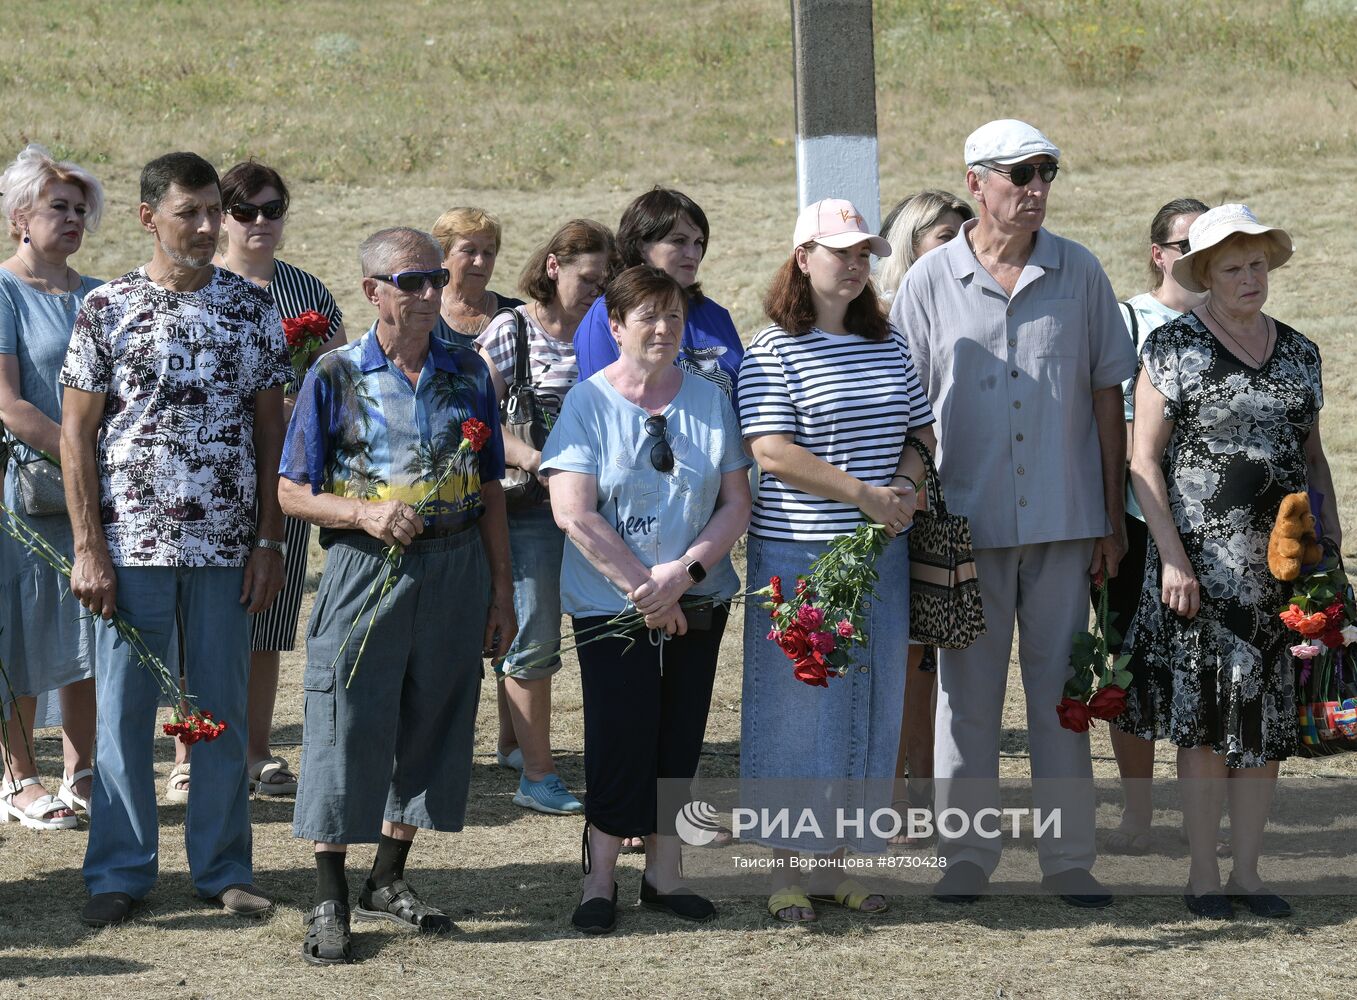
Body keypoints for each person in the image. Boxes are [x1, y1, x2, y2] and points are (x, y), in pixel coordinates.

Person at [891, 120, 1136, 908]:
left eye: (1046, 174)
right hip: (962, 523)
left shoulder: (1080, 271)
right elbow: (908, 410)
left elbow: (1108, 397)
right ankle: (966, 854)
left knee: (1061, 693)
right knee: (966, 694)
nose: (1035, 189)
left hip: (1066, 520)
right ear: (975, 182)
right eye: (1019, 175)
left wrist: (1109, 514)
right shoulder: (929, 280)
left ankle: (1068, 859)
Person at [60, 151, 289, 926]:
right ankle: (118, 872)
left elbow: (270, 430)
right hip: (132, 551)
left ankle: (223, 867)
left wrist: (268, 542)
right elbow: (76, 435)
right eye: (186, 212)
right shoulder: (106, 308)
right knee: (125, 715)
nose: (203, 227)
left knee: (215, 710)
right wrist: (89, 547)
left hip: (226, 550)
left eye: (211, 213)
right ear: (147, 217)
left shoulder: (250, 306)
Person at [279, 227, 515, 964]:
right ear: (371, 291)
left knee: (434, 719)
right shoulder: (333, 374)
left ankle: (389, 875)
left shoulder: (469, 371)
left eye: (434, 280)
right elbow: (291, 491)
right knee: (345, 721)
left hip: (454, 566)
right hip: (364, 567)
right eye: (410, 281)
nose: (426, 294)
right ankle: (328, 893)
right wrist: (363, 513)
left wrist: (501, 591)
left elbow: (490, 488)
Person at [1116, 204, 1334, 919]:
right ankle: (1202, 876)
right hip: (1200, 577)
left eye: (1257, 264)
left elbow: (1311, 457)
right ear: (1203, 274)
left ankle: (1247, 872)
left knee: (1266, 723)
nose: (1249, 278)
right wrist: (1172, 560)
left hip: (1281, 574)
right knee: (1208, 722)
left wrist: (1325, 549)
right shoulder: (1172, 347)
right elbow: (1141, 461)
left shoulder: (1300, 352)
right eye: (1233, 267)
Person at [737, 199, 934, 922]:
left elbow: (920, 429)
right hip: (799, 551)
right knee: (797, 709)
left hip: (878, 553)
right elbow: (769, 450)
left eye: (863, 255)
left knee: (868, 703)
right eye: (840, 252)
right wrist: (866, 496)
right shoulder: (771, 350)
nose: (855, 266)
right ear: (802, 259)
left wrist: (905, 487)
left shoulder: (888, 344)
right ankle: (787, 870)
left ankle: (843, 863)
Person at [541, 264, 751, 933]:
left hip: (697, 597)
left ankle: (664, 876)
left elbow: (734, 503)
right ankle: (598, 879)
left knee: (679, 737)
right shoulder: (587, 403)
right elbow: (573, 513)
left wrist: (681, 578)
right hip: (613, 605)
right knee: (619, 736)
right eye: (647, 317)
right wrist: (644, 588)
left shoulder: (710, 396)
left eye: (673, 316)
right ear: (615, 326)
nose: (662, 329)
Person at [159, 159, 348, 805]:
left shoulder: (308, 294)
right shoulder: (196, 287)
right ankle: (190, 756)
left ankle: (255, 749)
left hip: (283, 479)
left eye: (272, 209)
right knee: (199, 623)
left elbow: (339, 385)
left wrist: (303, 412)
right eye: (245, 211)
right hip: (206, 481)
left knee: (265, 619)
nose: (260, 221)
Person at [476, 219, 615, 816]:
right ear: (554, 266)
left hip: (596, 510)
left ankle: (515, 743)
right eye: (589, 276)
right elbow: (472, 420)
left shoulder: (608, 332)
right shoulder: (513, 332)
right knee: (532, 635)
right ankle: (538, 775)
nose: (597, 289)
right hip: (529, 511)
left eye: (608, 280)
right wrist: (536, 457)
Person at [1099, 197, 1209, 856]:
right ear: (1157, 253)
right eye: (1184, 244)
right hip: (1134, 520)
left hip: (1214, 525)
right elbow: (1104, 425)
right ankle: (1137, 814)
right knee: (1128, 669)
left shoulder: (1236, 321)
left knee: (1208, 672)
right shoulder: (1123, 321)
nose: (1196, 257)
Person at [0, 144, 104, 831]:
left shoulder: (98, 294)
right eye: (57, 208)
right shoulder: (2, 291)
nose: (72, 220)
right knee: (19, 630)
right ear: (19, 217)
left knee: (89, 627)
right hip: (24, 492)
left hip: (93, 490)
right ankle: (18, 777)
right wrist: (80, 458)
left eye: (79, 210)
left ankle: (82, 770)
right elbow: (7, 403)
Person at [875, 188, 975, 847]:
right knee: (899, 656)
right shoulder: (873, 322)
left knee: (934, 657)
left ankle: (928, 793)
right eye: (943, 239)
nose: (958, 249)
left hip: (945, 501)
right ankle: (893, 799)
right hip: (881, 506)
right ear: (909, 246)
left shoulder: (963, 307)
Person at [573, 188, 743, 398]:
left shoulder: (716, 315)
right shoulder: (607, 312)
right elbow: (601, 407)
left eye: (698, 242)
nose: (692, 253)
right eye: (679, 241)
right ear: (640, 245)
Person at [431, 206, 524, 350]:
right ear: (442, 255)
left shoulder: (516, 315)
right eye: (469, 251)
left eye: (488, 252)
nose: (480, 262)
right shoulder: (423, 314)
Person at [877, 189, 974, 304]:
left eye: (963, 238)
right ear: (913, 242)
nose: (959, 245)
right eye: (946, 236)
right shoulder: (881, 314)